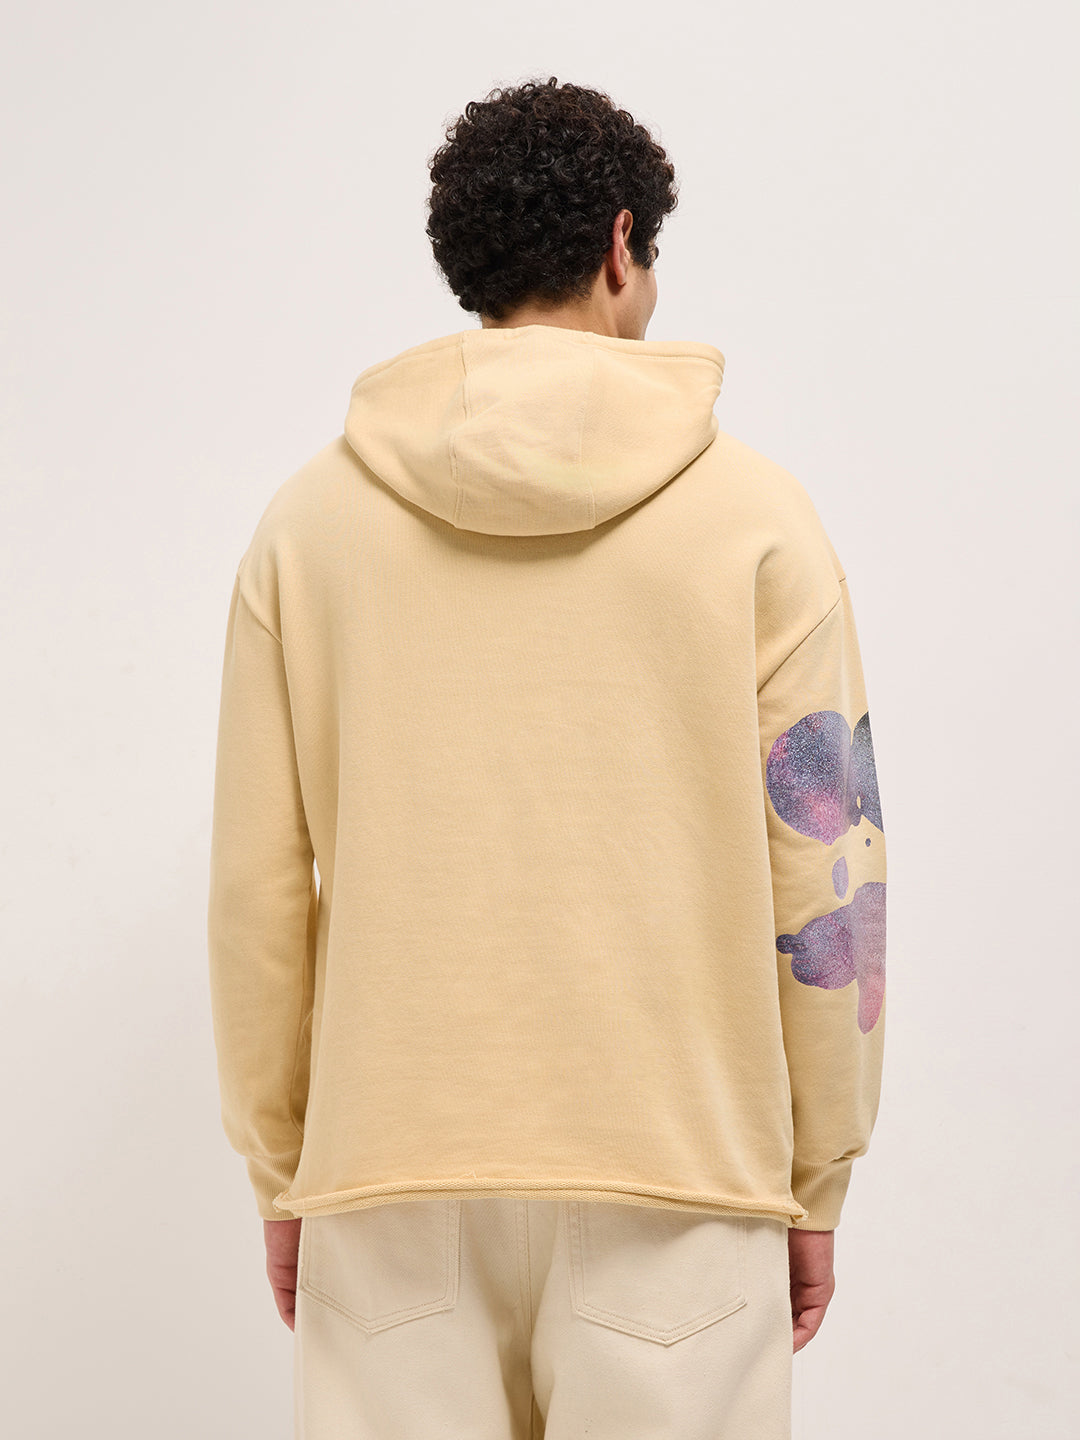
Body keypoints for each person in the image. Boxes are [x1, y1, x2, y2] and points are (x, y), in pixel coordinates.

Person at [207, 74, 887, 1439]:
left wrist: (287, 1169)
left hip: (390, 1178)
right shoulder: (757, 521)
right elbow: (830, 874)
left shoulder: (307, 528)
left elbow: (257, 895)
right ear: (622, 243)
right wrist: (817, 1174)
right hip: (682, 1176)